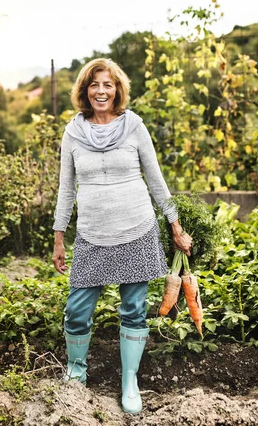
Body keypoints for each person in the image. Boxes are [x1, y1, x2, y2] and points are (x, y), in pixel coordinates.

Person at [52, 58, 192, 415]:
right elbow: (66, 188)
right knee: (76, 310)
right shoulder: (73, 132)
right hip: (91, 234)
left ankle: (130, 380)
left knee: (133, 310)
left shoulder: (133, 126)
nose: (101, 91)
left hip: (136, 229)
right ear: (85, 90)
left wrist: (175, 225)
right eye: (94, 85)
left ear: (117, 90)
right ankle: (76, 372)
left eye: (108, 85)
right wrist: (58, 236)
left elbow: (155, 178)